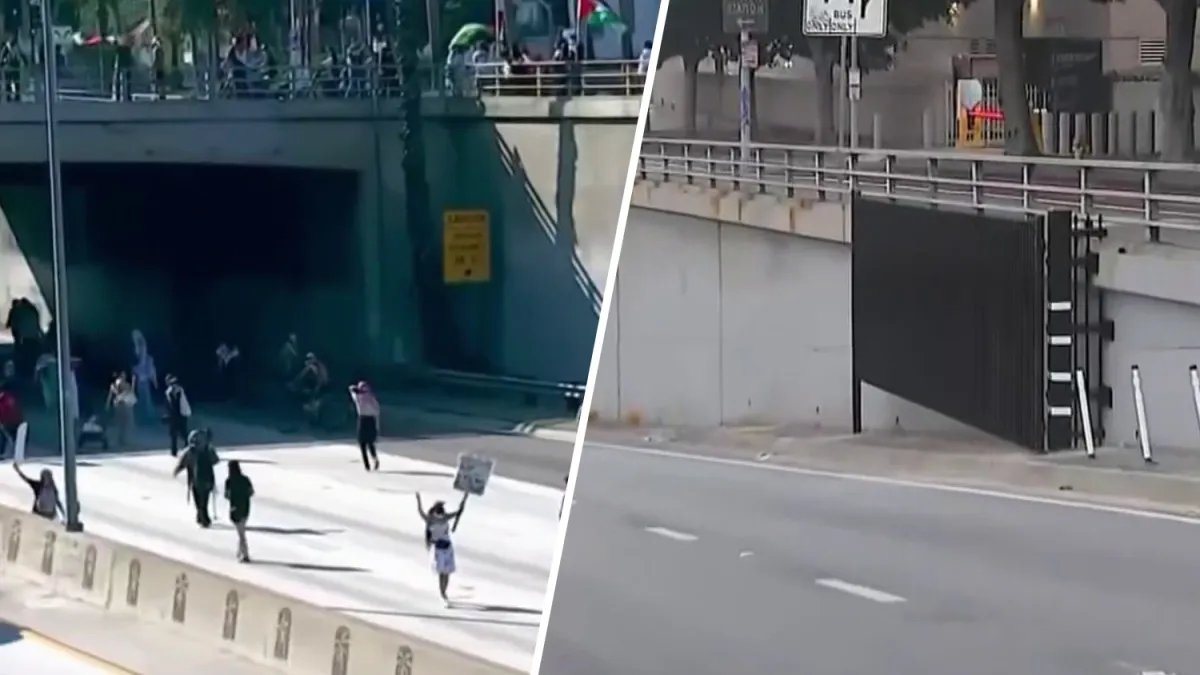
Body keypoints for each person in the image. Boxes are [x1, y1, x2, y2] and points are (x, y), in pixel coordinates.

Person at [416, 491, 469, 603]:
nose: (441, 510)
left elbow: (457, 513)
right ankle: (442, 592)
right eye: (439, 508)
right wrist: (418, 499)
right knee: (442, 571)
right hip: (438, 548)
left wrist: (463, 504)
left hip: (448, 546)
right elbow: (420, 511)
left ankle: (444, 591)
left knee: (447, 571)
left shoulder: (445, 517)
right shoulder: (430, 519)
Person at [173, 430, 220, 528]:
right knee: (204, 499)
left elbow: (182, 463)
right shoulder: (207, 449)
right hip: (207, 479)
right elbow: (216, 460)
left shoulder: (189, 451)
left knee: (198, 499)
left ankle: (202, 517)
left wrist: (177, 471)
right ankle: (202, 517)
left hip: (195, 481)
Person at [224, 460, 255, 563]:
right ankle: (240, 552)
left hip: (235, 508)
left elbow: (227, 495)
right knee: (241, 531)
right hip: (245, 508)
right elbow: (251, 492)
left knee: (241, 534)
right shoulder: (245, 479)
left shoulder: (229, 481)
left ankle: (245, 554)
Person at [349, 381, 380, 471]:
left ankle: (370, 463)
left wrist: (357, 390)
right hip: (367, 419)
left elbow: (351, 388)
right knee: (367, 443)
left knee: (366, 443)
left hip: (365, 419)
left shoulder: (360, 397)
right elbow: (377, 410)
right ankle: (371, 461)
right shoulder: (368, 397)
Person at [106, 372, 136, 449]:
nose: (123, 377)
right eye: (122, 375)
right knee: (121, 423)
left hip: (123, 404)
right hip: (120, 405)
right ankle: (120, 439)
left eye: (124, 375)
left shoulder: (122, 384)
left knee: (123, 423)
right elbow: (113, 394)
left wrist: (133, 383)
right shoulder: (119, 384)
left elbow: (130, 393)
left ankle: (122, 439)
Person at [163, 375, 192, 457]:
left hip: (180, 415)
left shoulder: (179, 391)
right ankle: (174, 450)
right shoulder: (169, 392)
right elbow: (168, 405)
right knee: (174, 434)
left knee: (182, 433)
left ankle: (188, 447)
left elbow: (182, 403)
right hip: (174, 415)